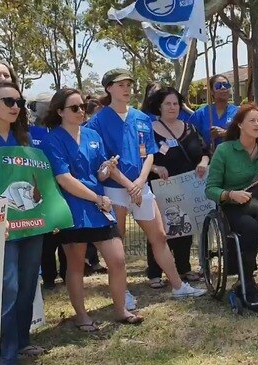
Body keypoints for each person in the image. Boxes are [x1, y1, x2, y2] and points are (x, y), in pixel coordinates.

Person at [86, 68, 207, 304]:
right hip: (114, 189)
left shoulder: (141, 119)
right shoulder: (97, 122)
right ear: (108, 88)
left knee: (160, 237)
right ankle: (123, 292)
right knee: (117, 245)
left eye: (129, 85)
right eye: (121, 85)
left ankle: (178, 286)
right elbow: (103, 160)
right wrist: (128, 184)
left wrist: (140, 182)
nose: (126, 89)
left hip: (142, 188)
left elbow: (150, 154)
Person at [42, 88, 144, 331]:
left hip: (99, 207)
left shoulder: (91, 135)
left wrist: (106, 169)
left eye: (83, 107)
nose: (80, 112)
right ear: (60, 111)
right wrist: (97, 197)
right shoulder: (52, 139)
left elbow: (98, 171)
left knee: (117, 260)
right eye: (74, 108)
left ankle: (121, 310)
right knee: (76, 265)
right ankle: (81, 316)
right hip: (73, 208)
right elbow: (64, 179)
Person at [0, 82, 45, 363]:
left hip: (31, 225)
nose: (15, 107)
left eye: (18, 102)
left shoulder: (25, 140)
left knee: (28, 284)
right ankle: (3, 353)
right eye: (8, 101)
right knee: (8, 288)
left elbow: (37, 182)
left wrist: (49, 215)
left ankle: (22, 341)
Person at [205, 103, 258, 305]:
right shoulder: (224, 150)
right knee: (250, 229)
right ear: (240, 125)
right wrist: (230, 194)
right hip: (233, 206)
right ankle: (247, 281)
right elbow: (210, 188)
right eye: (252, 120)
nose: (257, 124)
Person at [141, 87, 211, 288]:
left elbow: (205, 151)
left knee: (184, 228)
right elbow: (141, 157)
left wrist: (204, 162)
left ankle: (183, 267)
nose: (172, 108)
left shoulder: (190, 128)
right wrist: (155, 167)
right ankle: (155, 272)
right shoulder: (149, 130)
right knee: (159, 231)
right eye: (167, 104)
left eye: (175, 104)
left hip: (187, 187)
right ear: (159, 107)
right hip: (160, 188)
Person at [188, 74, 239, 148]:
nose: (223, 87)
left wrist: (225, 133)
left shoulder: (238, 112)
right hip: (209, 157)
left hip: (233, 156)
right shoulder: (200, 114)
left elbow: (246, 134)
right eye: (218, 86)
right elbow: (189, 136)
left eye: (226, 85)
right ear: (212, 91)